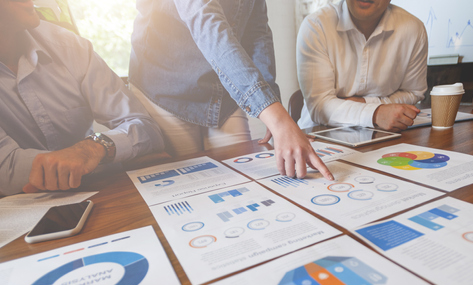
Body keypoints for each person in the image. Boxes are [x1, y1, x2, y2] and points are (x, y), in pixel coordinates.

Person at [0, 0, 165, 197]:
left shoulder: (66, 42)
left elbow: (145, 128)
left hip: (103, 191)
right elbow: (5, 174)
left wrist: (93, 148)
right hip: (14, 215)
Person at [129, 0, 333, 180]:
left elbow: (257, 31)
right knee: (189, 185)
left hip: (222, 91)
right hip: (166, 90)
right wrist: (278, 119)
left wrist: (272, 100)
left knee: (245, 178)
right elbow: (207, 24)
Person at [296, 0, 428, 131]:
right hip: (319, 136)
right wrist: (376, 113)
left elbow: (413, 92)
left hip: (385, 136)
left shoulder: (413, 29)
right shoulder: (316, 26)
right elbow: (321, 107)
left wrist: (366, 103)